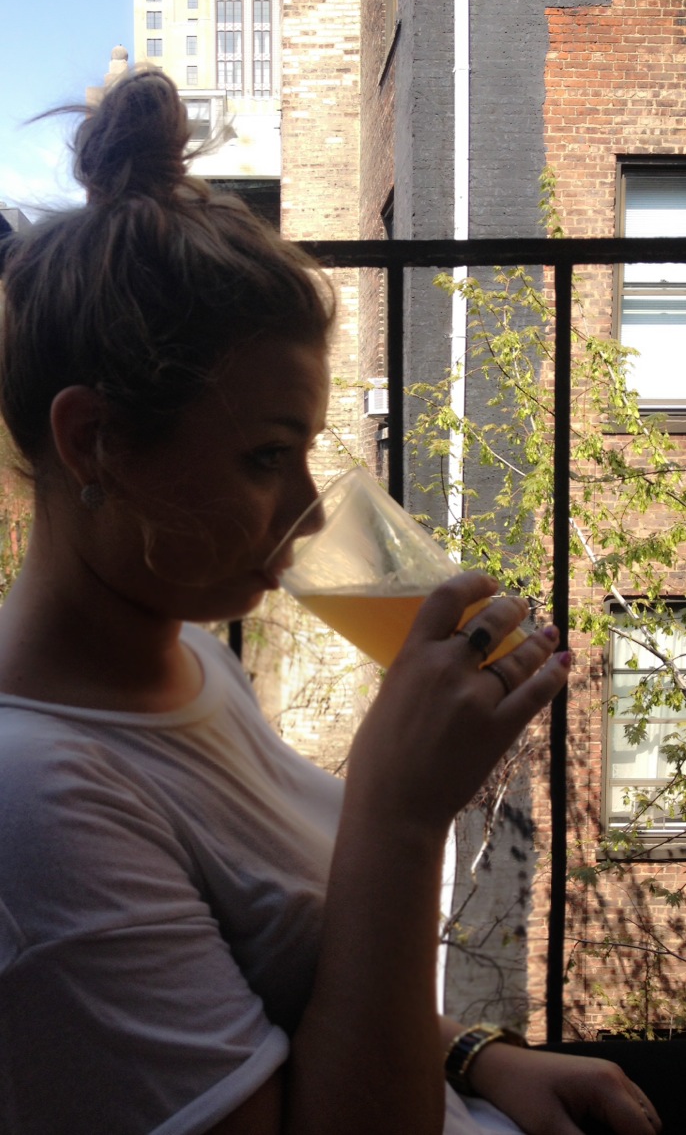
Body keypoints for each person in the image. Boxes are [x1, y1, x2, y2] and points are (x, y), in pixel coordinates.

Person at [0, 70, 661, 1135]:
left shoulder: (188, 659)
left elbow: (292, 980)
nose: (310, 511)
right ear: (94, 442)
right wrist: (399, 815)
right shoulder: (34, 807)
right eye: (268, 455)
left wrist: (479, 1055)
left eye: (306, 450)